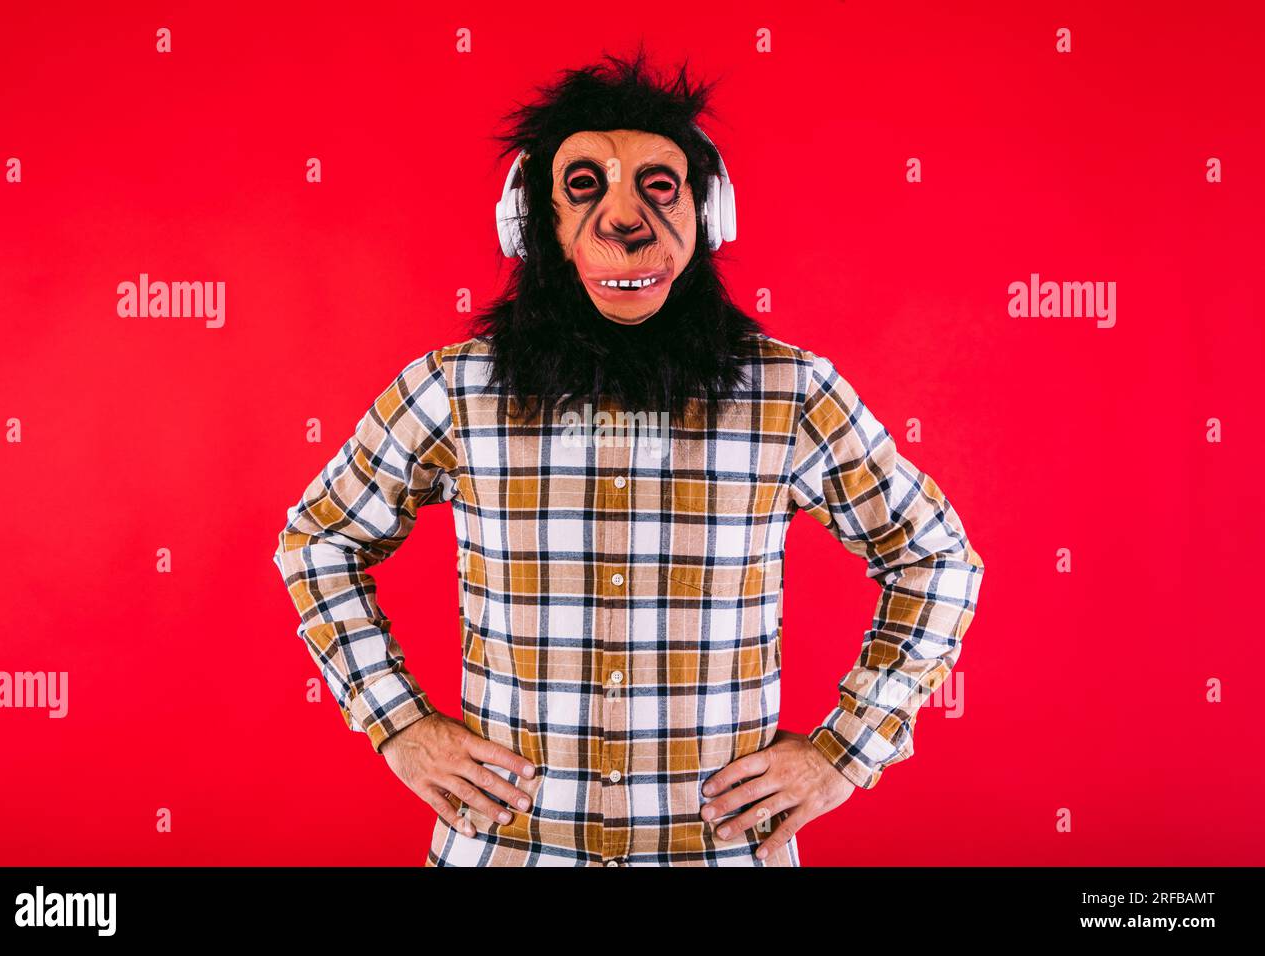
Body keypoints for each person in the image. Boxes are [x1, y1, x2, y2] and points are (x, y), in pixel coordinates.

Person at [271, 51, 984, 866]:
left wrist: (844, 754)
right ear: (533, 222)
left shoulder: (791, 391)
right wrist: (396, 722)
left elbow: (936, 558)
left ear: (710, 215)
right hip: (509, 850)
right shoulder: (453, 390)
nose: (624, 221)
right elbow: (318, 541)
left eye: (659, 186)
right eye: (584, 187)